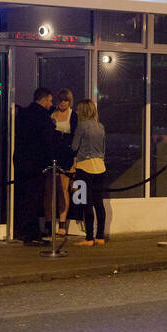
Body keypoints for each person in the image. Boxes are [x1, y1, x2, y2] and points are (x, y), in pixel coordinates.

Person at [13, 88, 55, 244]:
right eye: (50, 101)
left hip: (21, 162)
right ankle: (31, 234)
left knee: (22, 197)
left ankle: (21, 230)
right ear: (43, 100)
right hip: (36, 164)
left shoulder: (23, 114)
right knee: (34, 199)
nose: (51, 104)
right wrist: (51, 160)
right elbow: (47, 142)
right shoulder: (43, 117)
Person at [70, 99, 107, 246]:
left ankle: (89, 238)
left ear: (83, 111)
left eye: (79, 110)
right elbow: (103, 149)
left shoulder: (82, 126)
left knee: (86, 202)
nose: (77, 112)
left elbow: (74, 146)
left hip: (84, 167)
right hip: (100, 166)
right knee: (99, 203)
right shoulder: (101, 126)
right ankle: (100, 236)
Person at [48, 89, 78, 236]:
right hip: (52, 154)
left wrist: (75, 160)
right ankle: (48, 223)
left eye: (65, 100)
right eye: (60, 99)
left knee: (63, 189)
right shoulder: (51, 113)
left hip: (66, 155)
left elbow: (76, 138)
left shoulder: (73, 115)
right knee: (50, 190)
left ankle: (62, 223)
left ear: (69, 101)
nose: (62, 103)